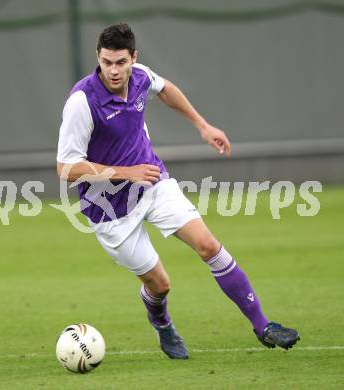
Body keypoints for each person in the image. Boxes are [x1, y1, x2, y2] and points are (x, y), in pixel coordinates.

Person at [57, 23, 300, 359]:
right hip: (109, 211)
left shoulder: (140, 76)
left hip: (154, 183)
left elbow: (165, 88)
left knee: (208, 245)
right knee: (160, 284)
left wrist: (203, 125)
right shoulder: (83, 101)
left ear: (133, 58)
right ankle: (162, 323)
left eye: (120, 62)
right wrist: (126, 173)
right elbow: (66, 169)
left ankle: (263, 325)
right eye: (106, 62)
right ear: (98, 58)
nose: (113, 70)